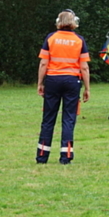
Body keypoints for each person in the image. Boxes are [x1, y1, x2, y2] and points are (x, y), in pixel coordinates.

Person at [36, 9, 91, 164]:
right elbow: (84, 67)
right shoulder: (79, 40)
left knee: (48, 119)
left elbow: (43, 63)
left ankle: (42, 156)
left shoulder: (51, 38)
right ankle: (65, 156)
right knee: (68, 119)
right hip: (72, 82)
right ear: (74, 22)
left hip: (52, 80)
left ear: (58, 22)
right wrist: (87, 88)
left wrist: (40, 83)